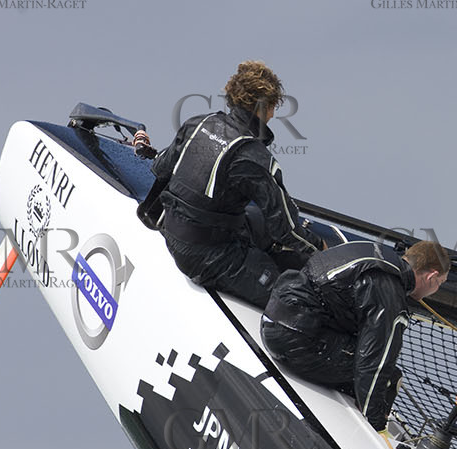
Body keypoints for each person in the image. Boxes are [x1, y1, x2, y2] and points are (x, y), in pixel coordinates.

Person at [135, 60, 322, 305]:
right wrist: (321, 250)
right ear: (266, 108)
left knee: (259, 222)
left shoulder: (197, 123)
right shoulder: (253, 157)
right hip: (207, 257)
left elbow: (161, 167)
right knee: (295, 298)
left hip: (176, 234)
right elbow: (285, 228)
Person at [260, 240, 450, 431]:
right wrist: (375, 422)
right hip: (295, 342)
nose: (436, 290)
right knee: (389, 378)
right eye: (440, 283)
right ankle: (356, 432)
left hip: (273, 319)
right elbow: (374, 362)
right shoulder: (390, 292)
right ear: (432, 277)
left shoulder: (369, 250)